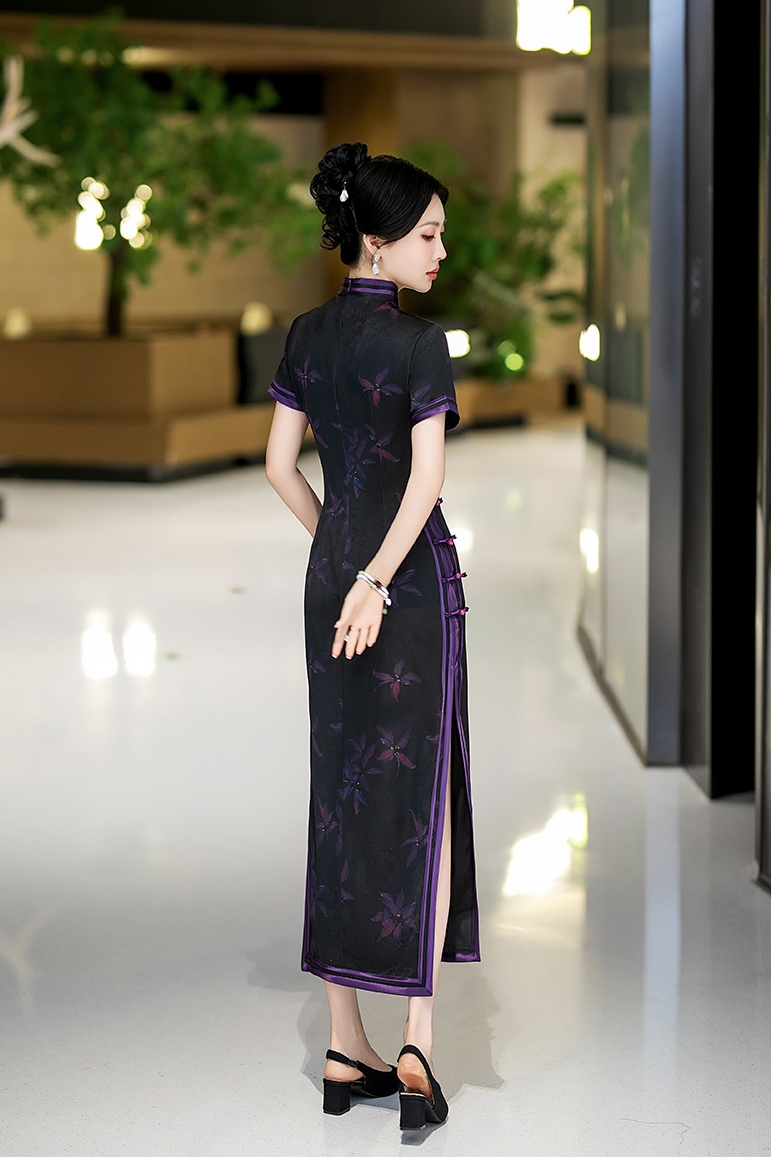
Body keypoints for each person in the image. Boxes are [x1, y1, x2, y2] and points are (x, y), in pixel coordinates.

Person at [265, 141, 479, 1132]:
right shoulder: (418, 344)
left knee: (339, 797)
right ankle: (415, 1044)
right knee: (419, 797)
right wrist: (380, 578)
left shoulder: (305, 334)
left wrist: (342, 563)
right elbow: (426, 482)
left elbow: (279, 467)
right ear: (379, 240)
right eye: (428, 235)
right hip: (407, 586)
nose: (440, 251)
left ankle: (343, 1044)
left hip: (334, 582)